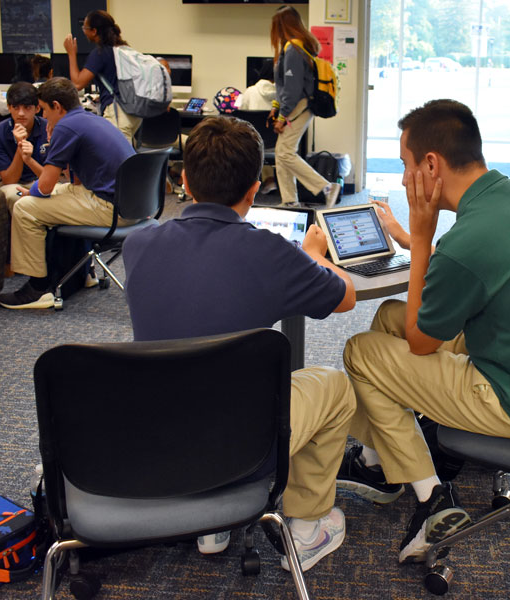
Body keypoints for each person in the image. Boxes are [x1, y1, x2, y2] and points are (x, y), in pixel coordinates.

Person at [338, 99, 510, 564]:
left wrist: (421, 237)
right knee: (389, 318)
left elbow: (424, 342)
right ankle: (379, 460)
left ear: (430, 164)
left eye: (405, 166)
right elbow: (473, 264)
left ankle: (430, 500)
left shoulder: (466, 241)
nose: (403, 180)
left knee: (363, 351)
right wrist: (413, 239)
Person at [122, 116, 357, 571]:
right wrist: (311, 256)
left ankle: (212, 522)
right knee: (333, 385)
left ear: (184, 181)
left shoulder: (138, 245)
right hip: (241, 448)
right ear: (254, 190)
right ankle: (308, 526)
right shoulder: (273, 253)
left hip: (152, 438)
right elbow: (345, 298)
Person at [0, 77, 134, 310]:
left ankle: (38, 289)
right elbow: (76, 181)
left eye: (44, 110)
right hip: (134, 205)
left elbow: (45, 187)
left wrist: (32, 192)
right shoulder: (92, 119)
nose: (44, 117)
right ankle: (81, 270)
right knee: (51, 194)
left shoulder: (66, 126)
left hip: (111, 209)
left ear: (57, 106)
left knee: (24, 207)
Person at [269, 6, 341, 207]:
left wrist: (282, 116)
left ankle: (326, 187)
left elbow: (292, 90)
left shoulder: (293, 50)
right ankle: (290, 201)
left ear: (281, 27)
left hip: (298, 106)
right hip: (297, 106)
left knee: (284, 153)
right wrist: (276, 107)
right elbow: (283, 86)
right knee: (282, 152)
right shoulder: (296, 47)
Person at [63, 10, 141, 145]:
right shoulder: (123, 48)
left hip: (118, 113)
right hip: (134, 112)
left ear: (94, 31)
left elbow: (77, 83)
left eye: (85, 28)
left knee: (119, 159)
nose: (83, 31)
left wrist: (71, 54)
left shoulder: (100, 52)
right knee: (127, 155)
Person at [0, 82, 49, 210]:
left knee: (54, 192)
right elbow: (9, 180)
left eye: (27, 108)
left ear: (37, 109)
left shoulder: (49, 128)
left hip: (42, 182)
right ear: (9, 107)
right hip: (16, 187)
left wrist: (29, 160)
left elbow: (49, 177)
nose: (21, 113)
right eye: (15, 107)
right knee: (15, 196)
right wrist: (20, 147)